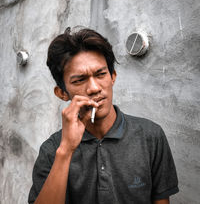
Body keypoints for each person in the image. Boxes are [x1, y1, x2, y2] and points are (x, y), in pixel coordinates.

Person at [28, 27, 179, 204]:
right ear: (62, 93)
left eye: (101, 74)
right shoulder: (52, 150)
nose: (94, 88)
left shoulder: (150, 136)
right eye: (79, 80)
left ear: (112, 77)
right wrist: (66, 150)